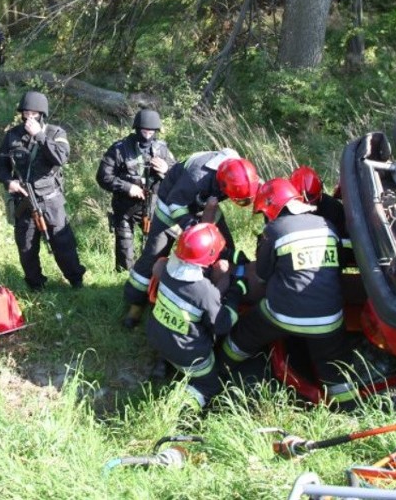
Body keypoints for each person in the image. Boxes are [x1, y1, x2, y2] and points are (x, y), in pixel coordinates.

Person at [221, 178, 358, 409]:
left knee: (245, 333)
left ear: (272, 208)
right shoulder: (328, 225)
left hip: (284, 315)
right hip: (329, 320)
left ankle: (220, 369)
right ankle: (350, 410)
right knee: (334, 366)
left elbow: (263, 275)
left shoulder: (274, 230)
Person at [122, 149, 260, 329]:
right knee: (154, 255)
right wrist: (192, 228)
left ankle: (215, 294)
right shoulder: (197, 175)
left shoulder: (239, 172)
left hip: (206, 204)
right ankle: (135, 307)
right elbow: (175, 204)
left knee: (224, 244)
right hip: (171, 207)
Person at [0, 90, 87, 290]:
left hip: (50, 199)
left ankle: (76, 281)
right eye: (26, 113)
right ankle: (35, 285)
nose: (29, 117)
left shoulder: (56, 133)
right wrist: (8, 181)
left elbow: (60, 158)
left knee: (63, 243)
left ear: (42, 114)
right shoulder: (12, 135)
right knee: (26, 246)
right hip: (23, 199)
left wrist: (40, 136)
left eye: (34, 113)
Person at [146, 222, 242, 410]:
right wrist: (236, 292)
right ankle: (180, 410)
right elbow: (223, 325)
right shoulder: (204, 292)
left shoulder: (166, 270)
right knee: (210, 385)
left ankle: (163, 363)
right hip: (188, 354)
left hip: (156, 337)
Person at [96, 109, 176, 272]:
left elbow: (178, 175)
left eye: (151, 131)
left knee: (155, 248)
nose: (147, 135)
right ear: (137, 129)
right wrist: (127, 187)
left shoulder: (162, 149)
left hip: (154, 206)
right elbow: (103, 176)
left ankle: (151, 278)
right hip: (125, 207)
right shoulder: (119, 149)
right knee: (125, 249)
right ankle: (123, 279)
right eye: (144, 131)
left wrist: (167, 169)